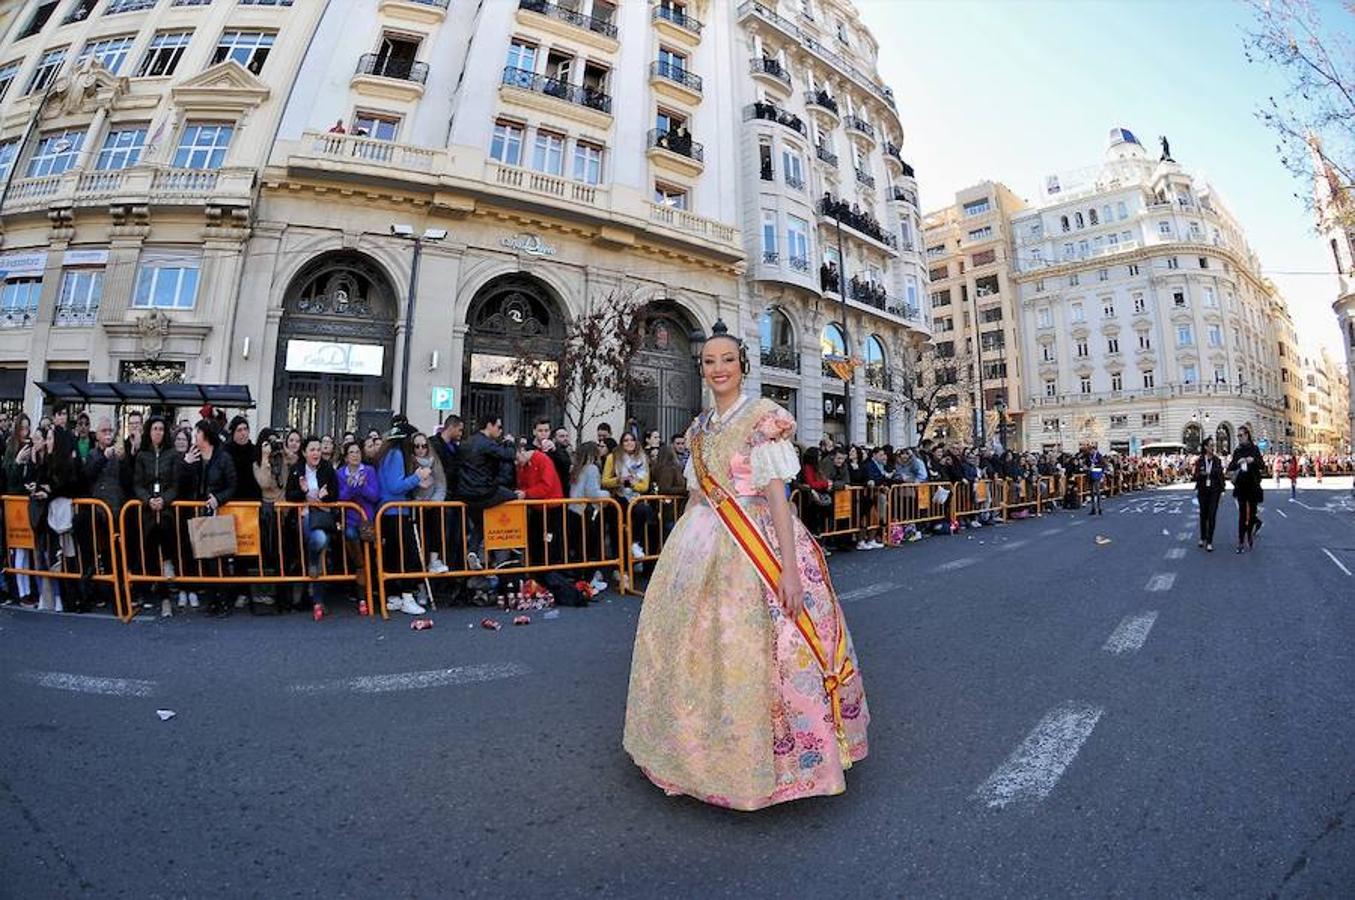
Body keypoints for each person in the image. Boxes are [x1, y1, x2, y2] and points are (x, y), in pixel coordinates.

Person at [624, 319, 868, 810]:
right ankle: (695, 752)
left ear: (742, 366)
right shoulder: (698, 427)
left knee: (773, 646)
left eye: (727, 360)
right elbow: (697, 496)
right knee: (695, 645)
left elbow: (778, 494)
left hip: (757, 538)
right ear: (702, 367)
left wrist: (789, 569)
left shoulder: (763, 418)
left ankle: (786, 759)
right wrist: (680, 556)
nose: (718, 369)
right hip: (704, 538)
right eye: (710, 361)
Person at [377, 421, 433, 614]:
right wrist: (417, 477)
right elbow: (395, 486)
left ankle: (393, 596)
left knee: (393, 556)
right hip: (396, 510)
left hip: (389, 510)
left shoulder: (387, 454)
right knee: (408, 555)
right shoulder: (396, 455)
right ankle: (407, 596)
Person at [182, 419, 237, 617]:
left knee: (219, 559)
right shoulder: (193, 456)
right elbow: (184, 484)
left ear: (205, 436)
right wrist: (186, 464)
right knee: (204, 558)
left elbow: (232, 485)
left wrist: (219, 498)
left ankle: (224, 600)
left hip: (217, 514)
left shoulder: (223, 458)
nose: (194, 437)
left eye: (197, 433)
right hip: (198, 513)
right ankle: (212, 600)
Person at [133, 416, 187, 612]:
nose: (158, 432)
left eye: (161, 429)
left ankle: (166, 594)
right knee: (148, 547)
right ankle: (150, 591)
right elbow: (137, 484)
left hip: (166, 510)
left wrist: (164, 500)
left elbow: (175, 485)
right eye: (155, 428)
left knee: (164, 538)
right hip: (147, 510)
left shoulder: (172, 455)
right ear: (149, 431)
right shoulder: (141, 455)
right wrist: (148, 500)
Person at [285, 436, 341, 621]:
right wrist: (302, 492)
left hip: (322, 517)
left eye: (318, 449)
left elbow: (335, 495)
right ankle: (315, 598)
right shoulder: (296, 470)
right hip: (302, 518)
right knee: (317, 543)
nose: (316, 453)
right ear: (304, 452)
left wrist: (324, 496)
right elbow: (289, 496)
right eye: (312, 449)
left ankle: (317, 599)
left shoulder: (327, 469)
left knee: (319, 544)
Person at [336, 439, 379, 614]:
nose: (356, 455)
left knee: (372, 552)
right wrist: (352, 487)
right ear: (346, 457)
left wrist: (363, 486)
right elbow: (340, 498)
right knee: (351, 536)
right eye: (352, 452)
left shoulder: (369, 471)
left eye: (358, 452)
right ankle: (360, 574)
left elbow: (375, 496)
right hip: (350, 520)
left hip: (367, 519)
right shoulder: (340, 474)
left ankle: (370, 592)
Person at [410, 431, 450, 573]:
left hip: (432, 505)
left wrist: (433, 502)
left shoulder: (435, 462)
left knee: (437, 530)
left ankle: (434, 561)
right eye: (417, 446)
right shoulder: (409, 463)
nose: (421, 449)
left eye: (424, 446)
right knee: (419, 541)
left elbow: (441, 485)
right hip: (415, 505)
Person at [1226, 425, 1267, 553]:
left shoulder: (1254, 449)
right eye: (1238, 435)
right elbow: (1231, 467)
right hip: (1241, 486)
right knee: (1242, 515)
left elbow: (1262, 466)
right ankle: (1240, 541)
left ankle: (1249, 536)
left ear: (1247, 435)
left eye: (1241, 435)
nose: (1239, 438)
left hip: (1253, 485)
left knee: (1253, 514)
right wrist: (1238, 462)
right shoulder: (1237, 450)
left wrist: (1252, 460)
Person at [1193, 437, 1225, 552]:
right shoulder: (1200, 460)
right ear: (1205, 447)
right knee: (1203, 515)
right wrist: (1202, 474)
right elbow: (1195, 475)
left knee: (1212, 516)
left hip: (1214, 491)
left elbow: (1221, 476)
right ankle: (1202, 537)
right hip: (1202, 491)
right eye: (1211, 445)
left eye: (1214, 445)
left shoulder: (1217, 460)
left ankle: (1210, 541)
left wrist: (1223, 491)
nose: (1213, 447)